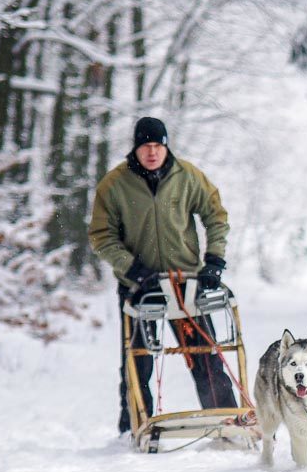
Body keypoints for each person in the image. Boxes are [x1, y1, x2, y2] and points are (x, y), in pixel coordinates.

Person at [89, 116, 237, 434]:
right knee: (137, 359)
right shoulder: (114, 184)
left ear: (166, 146)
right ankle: (134, 427)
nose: (152, 152)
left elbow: (216, 215)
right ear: (136, 148)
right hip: (139, 287)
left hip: (185, 283)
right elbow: (102, 235)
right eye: (146, 146)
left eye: (158, 145)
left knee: (204, 355)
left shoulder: (188, 176)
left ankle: (225, 418)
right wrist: (131, 268)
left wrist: (214, 259)